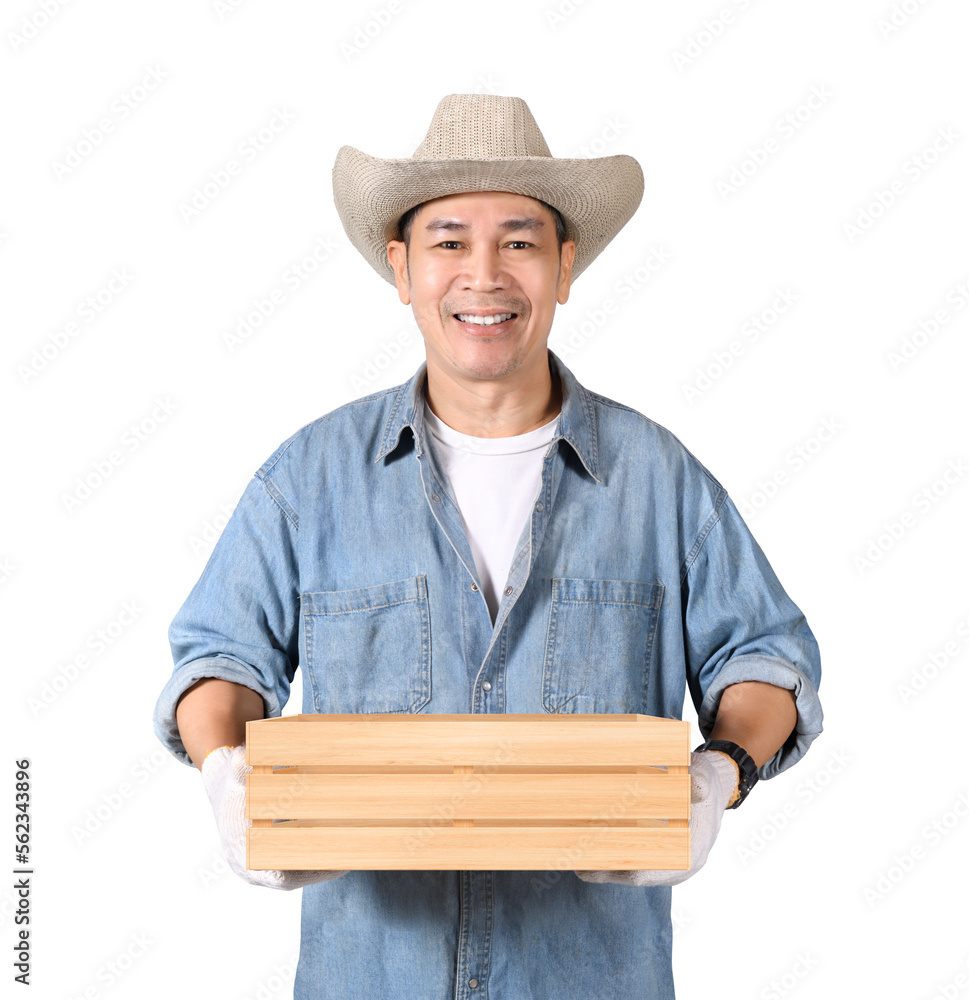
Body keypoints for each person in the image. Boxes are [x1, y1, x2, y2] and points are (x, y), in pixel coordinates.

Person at [153, 93, 823, 999]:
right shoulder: (309, 478)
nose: (484, 275)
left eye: (518, 240)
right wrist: (229, 779)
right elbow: (221, 660)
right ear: (401, 267)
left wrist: (720, 773)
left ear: (565, 265)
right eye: (448, 241)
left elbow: (765, 659)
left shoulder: (658, 480)